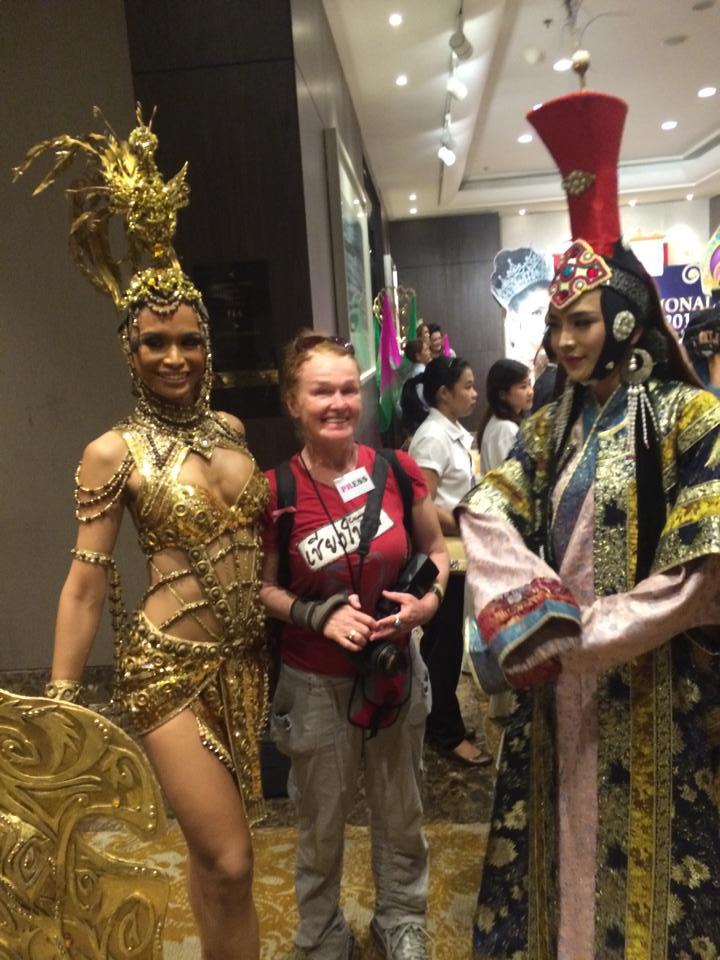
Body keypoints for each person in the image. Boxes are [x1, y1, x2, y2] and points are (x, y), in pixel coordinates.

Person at [460, 89, 720, 958]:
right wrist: (532, 614)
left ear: (624, 321)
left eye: (578, 322)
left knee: (662, 865)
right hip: (559, 682)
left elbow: (704, 568)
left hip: (658, 681)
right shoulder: (552, 425)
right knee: (563, 848)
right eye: (553, 325)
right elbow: (486, 507)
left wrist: (586, 635)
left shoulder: (693, 418)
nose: (564, 342)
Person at [15, 109, 269, 960]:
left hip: (247, 665)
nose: (175, 356)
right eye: (155, 342)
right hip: (170, 673)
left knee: (218, 852)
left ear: (208, 343)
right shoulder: (111, 451)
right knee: (232, 859)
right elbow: (86, 581)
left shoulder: (233, 429)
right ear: (130, 349)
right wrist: (59, 702)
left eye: (189, 340)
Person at [260, 333, 449, 960]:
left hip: (395, 670)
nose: (339, 402)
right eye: (322, 391)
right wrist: (317, 616)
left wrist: (425, 604)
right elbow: (259, 590)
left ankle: (400, 919)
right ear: (293, 400)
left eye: (348, 389)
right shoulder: (274, 491)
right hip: (314, 682)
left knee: (402, 810)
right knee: (320, 824)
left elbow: (437, 555)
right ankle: (320, 936)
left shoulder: (398, 470)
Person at [408, 357, 491, 766]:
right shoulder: (432, 438)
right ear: (444, 393)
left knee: (445, 645)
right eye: (468, 386)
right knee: (443, 648)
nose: (475, 394)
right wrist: (462, 520)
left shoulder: (452, 432)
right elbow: (422, 500)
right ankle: (446, 733)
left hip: (455, 552)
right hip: (440, 558)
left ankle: (434, 717)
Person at [490, 246, 553, 371]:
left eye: (551, 310)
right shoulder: (510, 377)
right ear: (514, 319)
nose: (548, 319)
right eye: (537, 312)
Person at [477, 358, 533, 473]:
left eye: (529, 384)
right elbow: (513, 479)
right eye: (523, 387)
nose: (530, 391)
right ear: (502, 394)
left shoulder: (497, 421)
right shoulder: (506, 429)